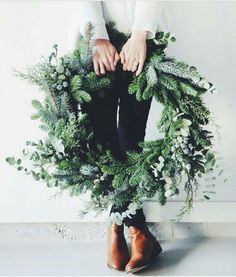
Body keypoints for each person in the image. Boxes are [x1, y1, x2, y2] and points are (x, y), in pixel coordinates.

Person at [68, 1, 165, 273]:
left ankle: (122, 228)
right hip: (94, 42)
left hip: (140, 39)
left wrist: (139, 34)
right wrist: (97, 35)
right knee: (103, 141)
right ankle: (136, 230)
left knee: (130, 139)